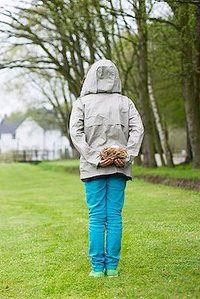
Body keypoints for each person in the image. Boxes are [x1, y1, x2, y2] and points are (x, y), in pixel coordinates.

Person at [69, 59, 144, 278]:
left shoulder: (82, 103)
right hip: (119, 168)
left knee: (96, 217)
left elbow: (76, 133)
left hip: (93, 170)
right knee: (114, 217)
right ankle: (112, 268)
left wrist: (94, 157)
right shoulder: (125, 103)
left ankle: (96, 269)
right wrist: (127, 155)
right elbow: (138, 130)